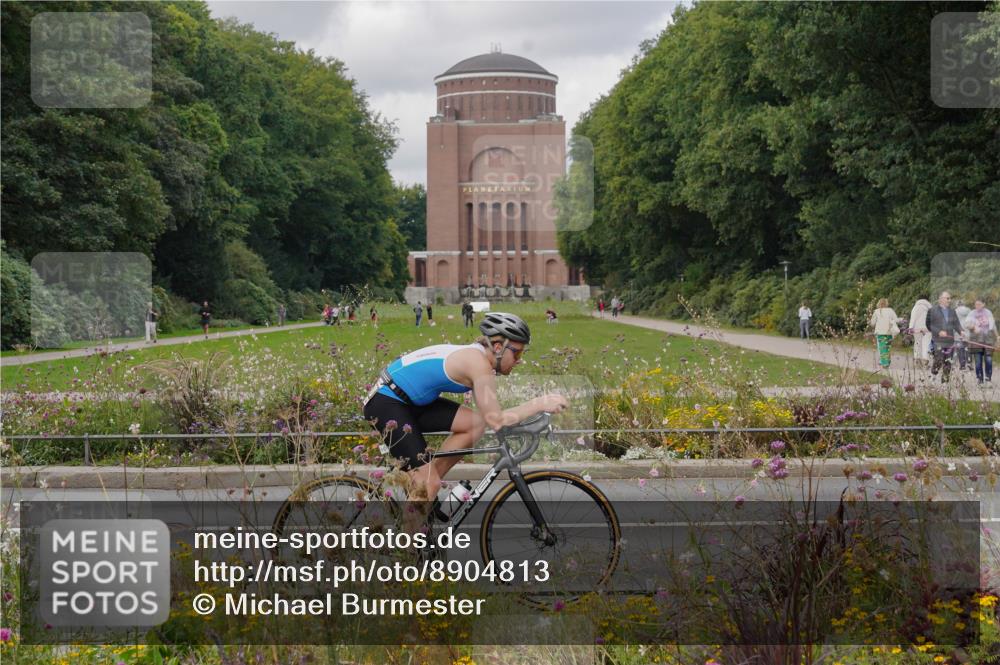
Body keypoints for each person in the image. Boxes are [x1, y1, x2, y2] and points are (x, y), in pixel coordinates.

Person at [363, 312, 567, 505]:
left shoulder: (479, 359)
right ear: (497, 347)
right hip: (387, 401)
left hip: (408, 400)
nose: (519, 360)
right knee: (428, 484)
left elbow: (489, 416)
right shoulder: (477, 364)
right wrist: (539, 404)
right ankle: (406, 538)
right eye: (517, 352)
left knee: (475, 424)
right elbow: (496, 419)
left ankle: (422, 492)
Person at [927, 291, 964, 383]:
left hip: (949, 340)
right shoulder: (932, 310)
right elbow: (929, 325)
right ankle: (933, 375)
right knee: (939, 359)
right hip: (938, 340)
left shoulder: (952, 311)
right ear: (941, 299)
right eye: (947, 298)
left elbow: (956, 323)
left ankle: (945, 381)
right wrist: (938, 331)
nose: (949, 300)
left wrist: (961, 331)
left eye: (950, 298)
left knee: (948, 361)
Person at [965, 298, 996, 384]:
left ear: (983, 304)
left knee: (988, 359)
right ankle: (979, 378)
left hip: (987, 340)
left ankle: (988, 378)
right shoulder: (972, 313)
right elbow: (966, 324)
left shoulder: (988, 313)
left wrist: (997, 337)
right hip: (976, 340)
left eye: (979, 304)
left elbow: (993, 326)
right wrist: (973, 327)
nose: (977, 306)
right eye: (976, 304)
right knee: (978, 361)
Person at [869, 298, 899, 369]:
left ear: (879, 304)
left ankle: (885, 363)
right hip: (889, 332)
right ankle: (887, 361)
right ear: (886, 303)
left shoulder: (876, 311)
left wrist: (871, 322)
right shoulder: (891, 310)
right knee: (887, 347)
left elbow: (872, 323)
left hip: (880, 333)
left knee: (882, 348)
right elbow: (896, 320)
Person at [908, 296, 933, 367]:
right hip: (927, 329)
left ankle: (917, 359)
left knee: (917, 343)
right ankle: (925, 359)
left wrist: (910, 328)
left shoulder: (916, 307)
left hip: (917, 328)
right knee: (927, 344)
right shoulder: (930, 307)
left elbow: (913, 318)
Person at [955, 302, 971, 370]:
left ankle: (962, 365)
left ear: (957, 305)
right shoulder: (969, 310)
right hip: (968, 331)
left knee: (960, 348)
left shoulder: (955, 311)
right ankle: (969, 362)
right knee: (967, 348)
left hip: (958, 332)